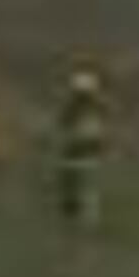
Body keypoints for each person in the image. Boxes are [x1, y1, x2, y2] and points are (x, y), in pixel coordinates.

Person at [49, 65, 109, 232]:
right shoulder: (79, 109)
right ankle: (78, 215)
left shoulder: (89, 109)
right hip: (78, 150)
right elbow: (64, 127)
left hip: (82, 150)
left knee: (82, 184)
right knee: (77, 183)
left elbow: (66, 127)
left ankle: (82, 217)